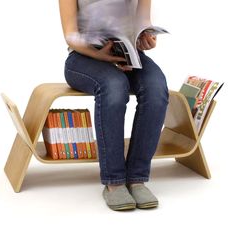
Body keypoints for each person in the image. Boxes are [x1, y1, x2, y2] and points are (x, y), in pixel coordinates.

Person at [59, 0, 169, 211]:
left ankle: (137, 179)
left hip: (128, 55)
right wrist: (99, 54)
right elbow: (71, 35)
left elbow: (143, 23)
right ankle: (114, 182)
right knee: (114, 85)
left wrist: (147, 39)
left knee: (156, 88)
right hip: (83, 58)